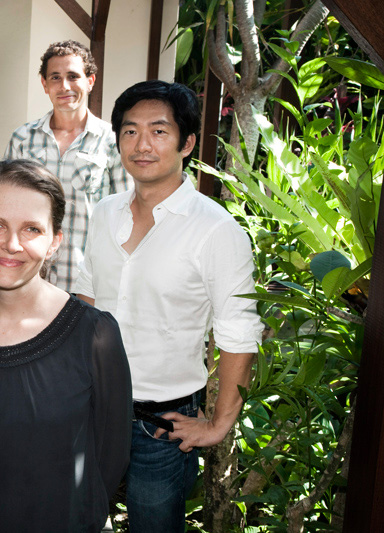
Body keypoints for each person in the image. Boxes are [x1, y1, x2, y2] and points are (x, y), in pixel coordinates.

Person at [73, 80, 264, 532]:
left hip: (162, 426)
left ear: (187, 143)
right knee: (74, 520)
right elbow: (87, 297)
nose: (142, 145)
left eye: (159, 131)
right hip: (93, 409)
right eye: (130, 131)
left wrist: (217, 425)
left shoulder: (215, 230)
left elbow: (238, 331)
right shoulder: (104, 213)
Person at [0, 160, 132, 533]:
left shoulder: (95, 336)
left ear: (54, 242)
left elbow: (110, 456)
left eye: (32, 229)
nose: (12, 245)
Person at [5, 40, 130, 292]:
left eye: (73, 76)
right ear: (44, 84)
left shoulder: (112, 142)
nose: (64, 86)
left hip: (88, 283)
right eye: (55, 77)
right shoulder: (22, 139)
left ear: (90, 81)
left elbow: (127, 213)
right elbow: (6, 206)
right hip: (30, 280)